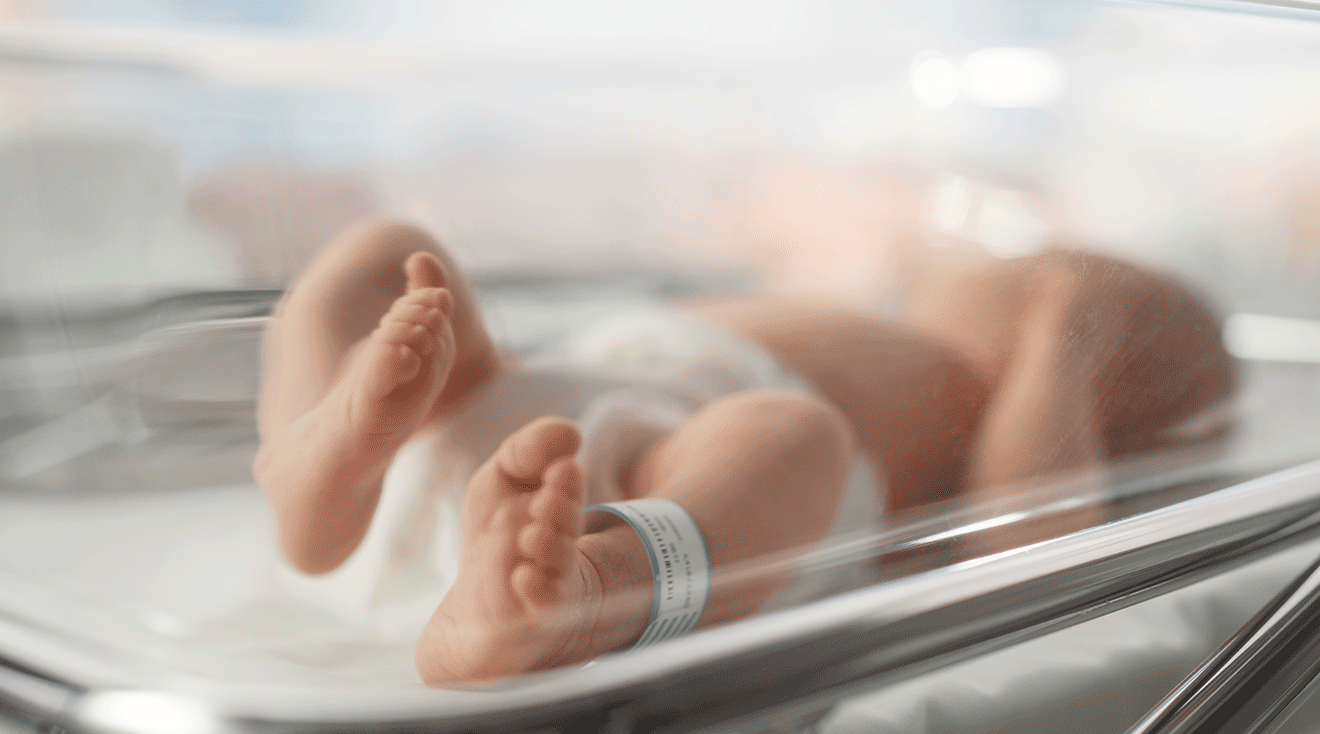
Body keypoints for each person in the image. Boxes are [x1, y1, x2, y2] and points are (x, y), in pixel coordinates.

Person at [252, 221, 1234, 685]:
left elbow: (1029, 539)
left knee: (789, 435)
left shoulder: (993, 399)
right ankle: (319, 457)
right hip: (499, 408)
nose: (1025, 265)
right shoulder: (880, 313)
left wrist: (1065, 335)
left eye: (1042, 273)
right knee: (387, 254)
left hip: (653, 486)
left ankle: (592, 586)